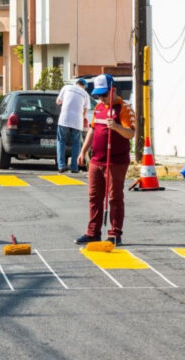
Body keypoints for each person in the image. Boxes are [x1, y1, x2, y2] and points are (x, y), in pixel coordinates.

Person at [76, 74, 136, 246]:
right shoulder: (99, 108)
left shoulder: (124, 109)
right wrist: (83, 151)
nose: (101, 98)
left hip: (116, 161)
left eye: (104, 94)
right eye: (98, 95)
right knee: (94, 197)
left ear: (113, 90)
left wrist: (116, 127)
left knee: (114, 197)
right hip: (97, 159)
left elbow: (130, 133)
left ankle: (115, 234)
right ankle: (93, 232)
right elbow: (92, 130)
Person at [55, 76, 91, 174]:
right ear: (84, 86)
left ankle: (61, 166)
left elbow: (58, 101)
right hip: (77, 122)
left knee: (61, 141)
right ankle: (74, 168)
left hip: (64, 119)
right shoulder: (85, 94)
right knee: (76, 144)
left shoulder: (66, 87)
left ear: (76, 83)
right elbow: (85, 113)